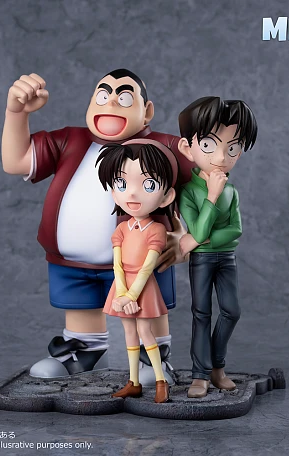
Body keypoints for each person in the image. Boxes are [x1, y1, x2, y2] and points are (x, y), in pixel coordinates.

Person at [1, 69, 191, 383]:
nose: (111, 103)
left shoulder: (162, 146)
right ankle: (83, 352)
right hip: (71, 263)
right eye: (103, 95)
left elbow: (205, 183)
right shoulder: (69, 141)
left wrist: (185, 235)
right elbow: (16, 161)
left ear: (147, 111)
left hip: (141, 256)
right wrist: (16, 113)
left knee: (146, 307)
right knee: (80, 308)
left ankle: (154, 358)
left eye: (124, 97)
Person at [177, 97, 257, 398]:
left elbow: (236, 231)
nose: (222, 157)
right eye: (209, 145)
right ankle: (201, 374)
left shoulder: (231, 191)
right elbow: (197, 230)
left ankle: (216, 367)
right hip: (201, 261)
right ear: (188, 148)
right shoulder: (188, 191)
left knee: (231, 311)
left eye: (233, 148)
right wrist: (211, 196)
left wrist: (205, 238)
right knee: (201, 314)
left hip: (226, 257)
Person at [96, 139, 179, 403]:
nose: (132, 194)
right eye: (122, 184)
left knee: (146, 333)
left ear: (166, 196)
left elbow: (147, 267)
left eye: (148, 185)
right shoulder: (122, 228)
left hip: (143, 287)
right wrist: (122, 294)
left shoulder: (156, 229)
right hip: (122, 287)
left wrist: (132, 296)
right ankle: (133, 381)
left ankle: (160, 380)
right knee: (129, 334)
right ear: (113, 191)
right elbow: (116, 264)